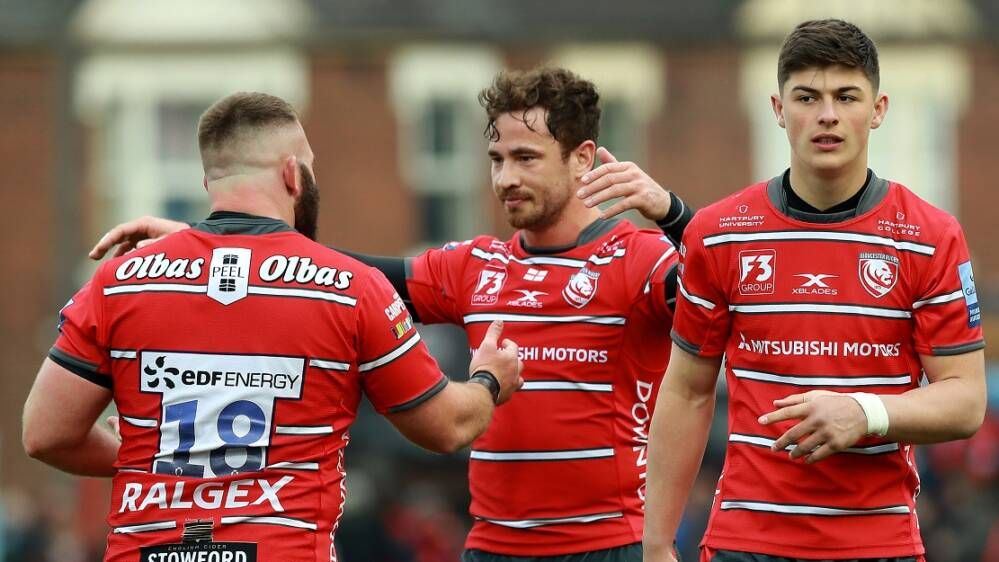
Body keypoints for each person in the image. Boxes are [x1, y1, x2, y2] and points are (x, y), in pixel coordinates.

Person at [88, 67, 696, 562]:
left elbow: (728, 291)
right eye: (496, 158)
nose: (505, 178)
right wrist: (211, 240)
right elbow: (334, 274)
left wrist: (673, 214)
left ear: (583, 158)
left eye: (526, 158)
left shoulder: (638, 258)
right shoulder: (475, 265)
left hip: (609, 545)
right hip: (492, 547)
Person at [22, 92, 523, 562]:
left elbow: (46, 434)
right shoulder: (352, 288)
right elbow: (447, 427)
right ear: (292, 174)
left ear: (209, 184)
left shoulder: (117, 282)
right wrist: (489, 379)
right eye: (310, 165)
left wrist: (150, 456)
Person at [643, 19, 986, 562]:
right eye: (807, 97)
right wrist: (657, 542)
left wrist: (865, 413)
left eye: (846, 97)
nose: (827, 115)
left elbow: (966, 400)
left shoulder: (929, 237)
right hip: (744, 545)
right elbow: (686, 392)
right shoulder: (719, 233)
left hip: (878, 544)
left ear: (878, 109)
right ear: (778, 109)